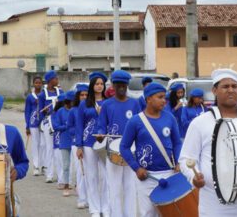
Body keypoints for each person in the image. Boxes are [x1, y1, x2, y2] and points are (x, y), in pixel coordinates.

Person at [179, 68, 237, 216]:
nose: (231, 90)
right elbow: (186, 159)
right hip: (214, 205)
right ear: (214, 90)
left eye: (234, 86)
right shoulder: (200, 123)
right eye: (225, 87)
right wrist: (193, 176)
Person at [120, 82, 183, 217]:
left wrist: (178, 162)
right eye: (160, 97)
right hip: (147, 176)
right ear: (148, 99)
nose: (164, 101)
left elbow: (177, 143)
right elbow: (124, 147)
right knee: (148, 213)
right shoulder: (135, 121)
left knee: (169, 213)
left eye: (165, 97)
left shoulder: (170, 118)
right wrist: (136, 168)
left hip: (169, 173)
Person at [96, 70, 140, 217]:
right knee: (114, 187)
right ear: (113, 86)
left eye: (124, 85)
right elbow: (101, 125)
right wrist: (100, 134)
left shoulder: (135, 103)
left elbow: (141, 125)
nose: (121, 88)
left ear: (127, 86)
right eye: (118, 85)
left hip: (131, 151)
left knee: (130, 187)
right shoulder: (107, 105)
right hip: (113, 150)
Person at [76, 72, 109, 216]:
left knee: (106, 176)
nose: (99, 86)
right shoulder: (85, 104)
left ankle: (106, 208)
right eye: (97, 84)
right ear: (92, 85)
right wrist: (79, 146)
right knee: (92, 176)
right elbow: (79, 125)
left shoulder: (108, 102)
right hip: (88, 143)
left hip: (105, 144)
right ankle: (95, 209)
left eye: (101, 84)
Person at [38, 70, 62, 183]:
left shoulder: (60, 91)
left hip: (59, 122)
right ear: (50, 81)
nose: (57, 80)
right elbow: (40, 112)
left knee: (59, 149)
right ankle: (49, 174)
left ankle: (61, 175)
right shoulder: (43, 94)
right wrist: (46, 111)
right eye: (55, 78)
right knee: (49, 148)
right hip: (48, 122)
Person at [68, 83, 89, 209]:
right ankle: (82, 198)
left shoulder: (92, 108)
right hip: (77, 144)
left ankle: (92, 198)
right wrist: (77, 136)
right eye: (82, 95)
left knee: (91, 173)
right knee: (81, 172)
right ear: (78, 96)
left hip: (90, 144)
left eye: (86, 94)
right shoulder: (73, 110)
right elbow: (70, 127)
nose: (84, 97)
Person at [52, 91, 74, 196]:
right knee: (66, 165)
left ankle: (77, 185)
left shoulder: (76, 110)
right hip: (64, 141)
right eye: (72, 101)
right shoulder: (60, 111)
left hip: (75, 141)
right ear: (67, 102)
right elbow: (56, 126)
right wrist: (67, 126)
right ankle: (66, 185)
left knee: (76, 166)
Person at [24, 76, 43, 176]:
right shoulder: (30, 97)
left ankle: (44, 165)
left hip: (43, 123)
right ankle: (36, 166)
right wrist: (27, 126)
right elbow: (27, 111)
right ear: (33, 84)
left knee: (43, 145)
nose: (38, 84)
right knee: (35, 144)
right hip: (33, 123)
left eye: (40, 83)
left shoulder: (44, 95)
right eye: (36, 83)